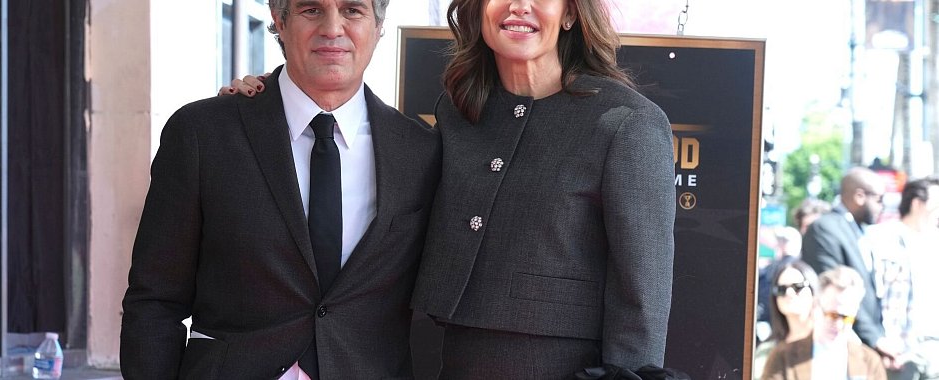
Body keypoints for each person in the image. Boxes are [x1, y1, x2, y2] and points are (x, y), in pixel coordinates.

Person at [227, 0, 676, 377]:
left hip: (564, 367)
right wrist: (271, 95)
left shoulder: (626, 123)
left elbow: (641, 295)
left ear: (571, 14)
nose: (520, 6)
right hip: (450, 359)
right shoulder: (460, 110)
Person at [119, 0, 442, 379]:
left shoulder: (420, 152)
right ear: (279, 21)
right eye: (311, 10)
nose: (333, 28)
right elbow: (155, 301)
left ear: (379, 25)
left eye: (353, 10)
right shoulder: (202, 134)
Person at [801, 166, 889, 357]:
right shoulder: (825, 229)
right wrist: (874, 339)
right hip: (839, 345)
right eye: (880, 199)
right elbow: (837, 294)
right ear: (859, 196)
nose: (883, 207)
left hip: (864, 346)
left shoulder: (856, 229)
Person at [862, 176, 939, 379]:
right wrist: (881, 342)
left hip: (933, 351)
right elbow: (868, 295)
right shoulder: (879, 238)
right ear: (916, 204)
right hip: (896, 352)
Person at [762, 265, 886, 380]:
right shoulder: (783, 357)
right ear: (816, 307)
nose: (838, 324)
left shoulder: (870, 361)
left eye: (846, 318)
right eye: (832, 315)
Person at [752, 257, 818, 380]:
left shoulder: (835, 336)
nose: (789, 293)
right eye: (781, 289)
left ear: (814, 291)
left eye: (797, 287)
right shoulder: (766, 351)